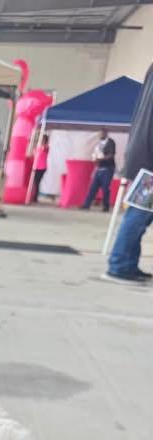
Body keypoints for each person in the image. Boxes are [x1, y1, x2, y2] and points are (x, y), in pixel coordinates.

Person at [104, 62, 153, 284]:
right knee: (139, 214)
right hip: (150, 159)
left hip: (143, 152)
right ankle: (120, 265)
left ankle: (127, 263)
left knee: (141, 214)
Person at [80, 127, 116, 211]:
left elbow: (111, 155)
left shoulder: (110, 142)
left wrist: (100, 159)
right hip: (99, 168)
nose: (100, 135)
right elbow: (97, 154)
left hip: (108, 169)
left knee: (105, 188)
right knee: (93, 188)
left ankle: (106, 207)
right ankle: (86, 205)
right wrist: (95, 160)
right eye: (99, 134)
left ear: (106, 133)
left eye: (102, 133)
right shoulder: (99, 143)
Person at [31, 133, 49, 202]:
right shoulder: (38, 147)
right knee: (35, 182)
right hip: (36, 166)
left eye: (43, 139)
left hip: (41, 167)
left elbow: (44, 150)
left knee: (37, 182)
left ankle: (35, 197)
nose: (41, 140)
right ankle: (34, 196)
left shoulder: (45, 147)